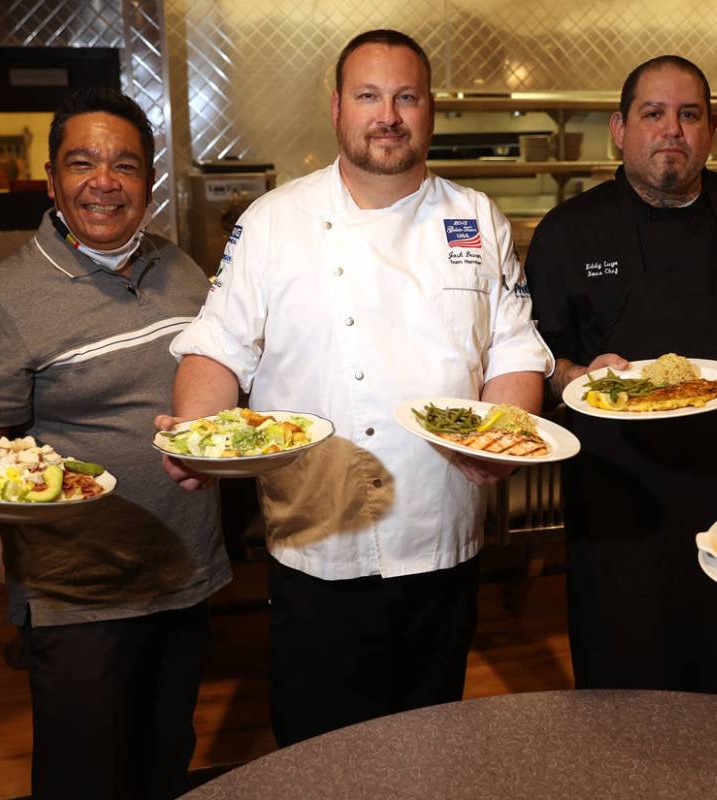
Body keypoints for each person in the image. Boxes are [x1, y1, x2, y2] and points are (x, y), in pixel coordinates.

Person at [161, 29, 552, 746]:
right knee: (320, 752)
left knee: (431, 741)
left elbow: (515, 350)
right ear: (337, 108)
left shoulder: (475, 217)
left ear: (431, 109)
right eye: (369, 97)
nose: (388, 116)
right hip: (319, 536)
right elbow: (218, 348)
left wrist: (503, 438)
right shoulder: (274, 220)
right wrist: (198, 434)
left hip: (444, 533)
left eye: (406, 97)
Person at [0, 88, 229, 799]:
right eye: (83, 163)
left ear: (149, 183)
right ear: (52, 180)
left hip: (186, 570)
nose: (105, 181)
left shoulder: (181, 267)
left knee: (165, 762)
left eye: (126, 166)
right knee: (87, 779)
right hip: (81, 593)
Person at [523, 56, 717, 695]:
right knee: (624, 679)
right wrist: (579, 373)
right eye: (653, 113)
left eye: (688, 115)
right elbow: (537, 356)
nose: (672, 129)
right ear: (619, 128)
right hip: (618, 497)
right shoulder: (568, 232)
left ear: (711, 128)